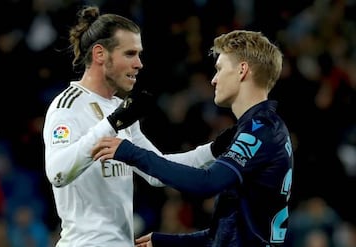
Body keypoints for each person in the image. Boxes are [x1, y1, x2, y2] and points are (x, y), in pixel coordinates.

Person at [42, 5, 234, 247]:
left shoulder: (120, 109)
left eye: (139, 54)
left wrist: (213, 150)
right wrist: (112, 124)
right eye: (130, 54)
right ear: (100, 54)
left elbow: (158, 171)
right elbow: (57, 174)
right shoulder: (68, 106)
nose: (139, 64)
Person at [92, 30, 294, 247]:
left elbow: (206, 183)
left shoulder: (260, 130)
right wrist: (163, 242)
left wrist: (131, 153)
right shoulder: (261, 128)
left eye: (219, 69)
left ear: (242, 70)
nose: (214, 80)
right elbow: (224, 235)